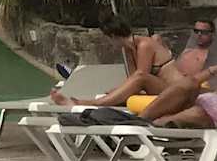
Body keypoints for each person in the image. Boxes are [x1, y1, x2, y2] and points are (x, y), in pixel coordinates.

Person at [51, 22, 187, 111]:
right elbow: (133, 80)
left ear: (113, 36)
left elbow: (141, 77)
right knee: (120, 92)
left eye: (108, 39)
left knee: (138, 79)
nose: (109, 44)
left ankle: (89, 103)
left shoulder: (144, 45)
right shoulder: (129, 49)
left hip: (177, 91)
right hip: (161, 90)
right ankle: (91, 103)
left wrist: (118, 91)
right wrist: (117, 92)